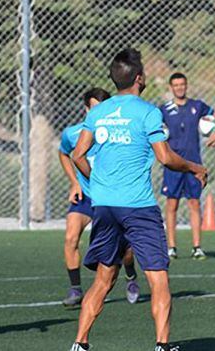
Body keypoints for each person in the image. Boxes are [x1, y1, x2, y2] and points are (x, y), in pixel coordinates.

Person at [69, 48, 207, 351]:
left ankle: (80, 344)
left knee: (103, 280)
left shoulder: (98, 112)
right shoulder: (147, 111)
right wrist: (195, 166)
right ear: (140, 78)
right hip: (138, 206)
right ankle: (162, 345)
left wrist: (99, 183)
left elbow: (78, 155)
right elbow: (165, 157)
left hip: (104, 205)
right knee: (158, 278)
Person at [59, 88, 140, 307]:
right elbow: (64, 153)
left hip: (112, 198)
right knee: (70, 237)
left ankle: (130, 275)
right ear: (86, 109)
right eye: (95, 108)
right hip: (86, 197)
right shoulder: (73, 134)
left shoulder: (116, 133)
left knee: (127, 251)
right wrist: (75, 182)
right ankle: (75, 289)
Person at [160, 72, 215, 260]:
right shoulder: (164, 110)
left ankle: (197, 247)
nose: (180, 88)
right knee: (171, 204)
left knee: (194, 203)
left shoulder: (197, 106)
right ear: (171, 87)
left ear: (186, 85)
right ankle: (171, 247)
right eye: (176, 85)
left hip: (194, 164)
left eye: (182, 84)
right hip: (173, 165)